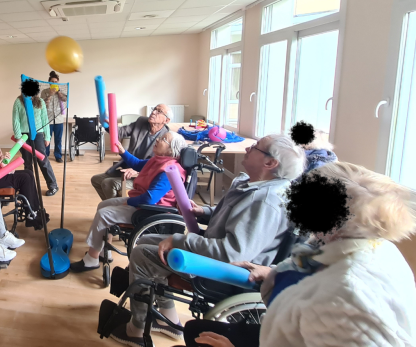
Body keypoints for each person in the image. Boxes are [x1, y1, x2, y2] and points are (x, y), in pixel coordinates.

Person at [176, 162, 416, 347]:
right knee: (196, 330)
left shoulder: (345, 293)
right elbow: (317, 267)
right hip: (290, 329)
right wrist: (271, 272)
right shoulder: (374, 246)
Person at [110, 134, 306, 344]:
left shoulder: (265, 202)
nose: (248, 148)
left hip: (227, 269)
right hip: (215, 249)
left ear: (270, 163)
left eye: (255, 147)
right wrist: (203, 211)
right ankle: (169, 319)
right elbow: (234, 216)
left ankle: (136, 329)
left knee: (142, 254)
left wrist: (179, 241)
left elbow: (231, 253)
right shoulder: (252, 184)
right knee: (146, 240)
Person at [70, 132, 187, 273]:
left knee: (103, 214)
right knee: (103, 205)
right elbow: (137, 164)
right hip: (143, 203)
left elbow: (150, 199)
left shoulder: (169, 170)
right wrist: (123, 152)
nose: (158, 140)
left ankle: (91, 260)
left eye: (163, 139)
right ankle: (104, 251)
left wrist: (130, 202)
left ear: (171, 150)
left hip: (150, 211)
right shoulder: (159, 161)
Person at [91, 104, 172, 201]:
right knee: (96, 180)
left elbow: (157, 163)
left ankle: (117, 207)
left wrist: (137, 170)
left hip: (144, 174)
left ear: (166, 120)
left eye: (159, 111)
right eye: (154, 109)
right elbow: (121, 132)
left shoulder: (166, 138)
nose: (153, 112)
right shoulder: (141, 121)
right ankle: (114, 205)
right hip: (127, 166)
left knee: (107, 183)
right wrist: (109, 125)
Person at [13, 79, 59, 195]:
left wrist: (47, 137)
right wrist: (18, 136)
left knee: (42, 160)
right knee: (27, 162)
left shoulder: (40, 102)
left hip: (38, 134)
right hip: (23, 136)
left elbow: (45, 120)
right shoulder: (18, 101)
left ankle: (53, 186)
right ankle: (29, 188)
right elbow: (16, 119)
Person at [40, 71, 67, 163]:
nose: (54, 83)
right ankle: (46, 155)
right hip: (48, 120)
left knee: (58, 139)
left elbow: (65, 99)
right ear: (49, 82)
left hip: (59, 120)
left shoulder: (61, 91)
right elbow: (42, 103)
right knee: (47, 138)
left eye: (56, 82)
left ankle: (58, 156)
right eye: (52, 82)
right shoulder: (45, 91)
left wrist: (59, 92)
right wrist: (50, 94)